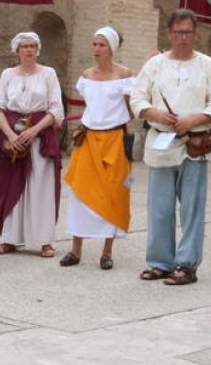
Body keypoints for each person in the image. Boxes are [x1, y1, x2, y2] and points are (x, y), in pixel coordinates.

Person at [130, 9, 211, 286]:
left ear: (195, 34)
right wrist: (156, 115)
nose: (183, 38)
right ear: (169, 34)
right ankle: (160, 262)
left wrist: (193, 120)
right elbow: (137, 98)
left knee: (192, 208)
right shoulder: (155, 65)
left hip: (194, 142)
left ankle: (186, 264)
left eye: (188, 32)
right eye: (178, 32)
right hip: (162, 141)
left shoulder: (207, 65)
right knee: (160, 207)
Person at [61, 27, 134, 270]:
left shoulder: (124, 75)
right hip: (89, 140)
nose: (96, 49)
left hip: (114, 140)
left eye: (101, 45)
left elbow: (131, 109)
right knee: (81, 194)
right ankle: (75, 249)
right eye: (94, 44)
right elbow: (91, 106)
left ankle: (106, 251)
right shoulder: (86, 76)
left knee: (114, 194)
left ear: (111, 48)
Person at [0, 32, 65, 258]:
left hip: (40, 138)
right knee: (10, 185)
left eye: (32, 46)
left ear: (37, 49)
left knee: (41, 187)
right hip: (11, 138)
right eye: (24, 46)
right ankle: (9, 238)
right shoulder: (7, 75)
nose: (29, 50)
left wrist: (34, 130)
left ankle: (45, 241)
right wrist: (11, 136)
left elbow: (56, 109)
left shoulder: (48, 74)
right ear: (17, 50)